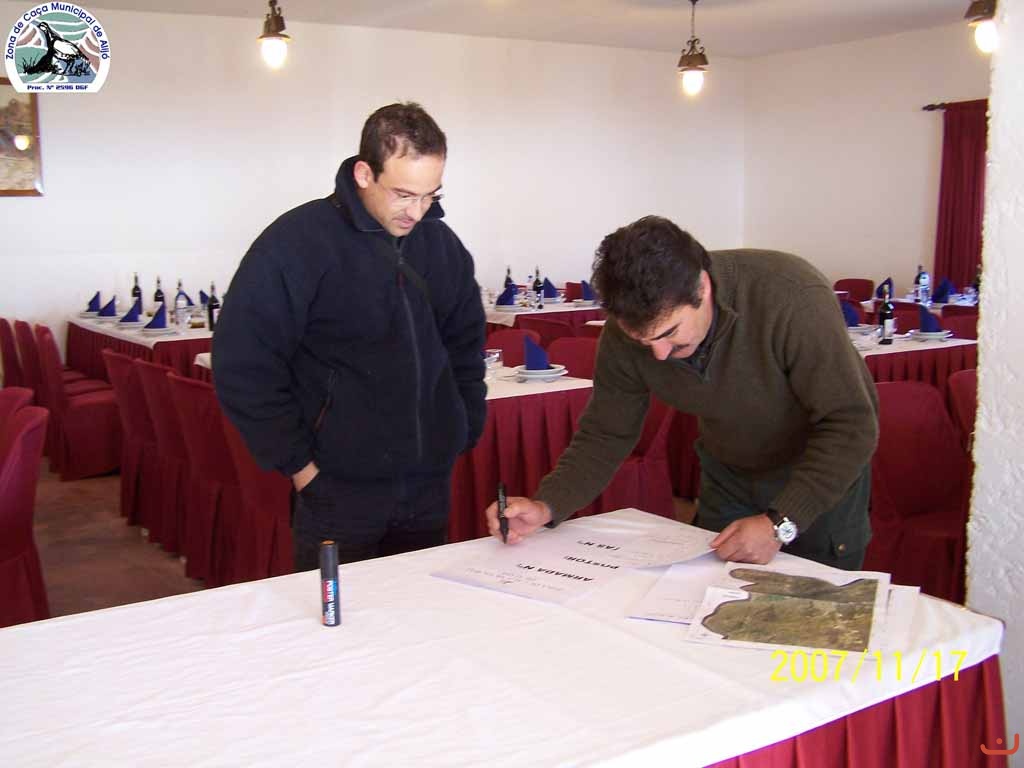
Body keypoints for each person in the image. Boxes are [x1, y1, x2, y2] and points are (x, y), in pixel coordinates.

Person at [485, 216, 878, 569]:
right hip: (729, 474)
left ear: (702, 287)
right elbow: (605, 434)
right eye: (643, 341)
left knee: (816, 607)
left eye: (670, 333)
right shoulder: (624, 335)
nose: (658, 353)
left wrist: (780, 523)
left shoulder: (790, 295)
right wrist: (547, 505)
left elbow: (851, 425)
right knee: (708, 600)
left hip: (819, 475)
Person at [215, 102, 486, 570]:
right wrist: (301, 468)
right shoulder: (296, 242)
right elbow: (243, 365)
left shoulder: (442, 246)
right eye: (403, 194)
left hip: (428, 487)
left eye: (431, 195)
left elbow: (465, 350)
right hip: (337, 491)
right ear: (364, 173)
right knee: (336, 617)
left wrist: (461, 430)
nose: (417, 211)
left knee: (419, 611)